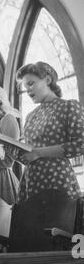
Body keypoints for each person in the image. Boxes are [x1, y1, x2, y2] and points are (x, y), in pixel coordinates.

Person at [16, 61, 84, 201]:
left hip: (57, 179)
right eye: (25, 87)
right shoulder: (31, 115)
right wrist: (18, 153)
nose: (28, 90)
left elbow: (81, 144)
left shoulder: (68, 107)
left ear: (47, 80)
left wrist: (37, 153)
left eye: (31, 83)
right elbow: (31, 152)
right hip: (31, 181)